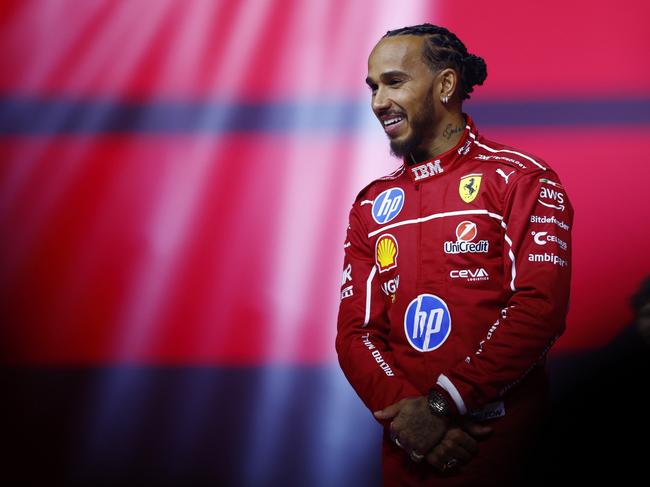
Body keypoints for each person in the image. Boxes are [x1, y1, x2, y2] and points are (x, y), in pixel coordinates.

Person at [335, 24, 573, 486]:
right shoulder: (370, 204)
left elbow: (538, 310)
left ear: (445, 85)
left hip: (502, 449)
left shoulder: (522, 179)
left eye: (394, 82)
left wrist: (443, 404)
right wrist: (413, 423)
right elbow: (356, 334)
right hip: (410, 458)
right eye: (373, 87)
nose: (378, 102)